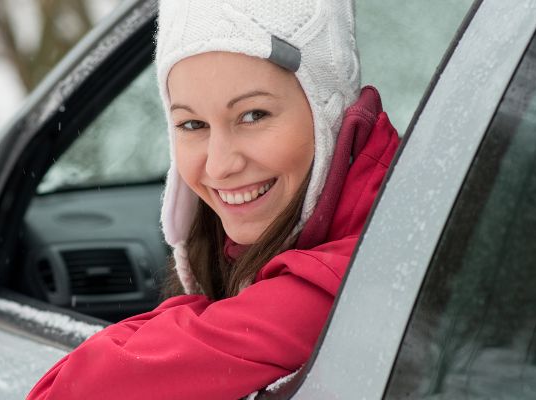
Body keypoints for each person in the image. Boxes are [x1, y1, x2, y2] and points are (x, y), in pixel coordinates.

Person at [28, 0, 399, 398]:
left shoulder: (360, 275)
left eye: (253, 115)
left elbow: (80, 390)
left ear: (328, 111)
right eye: (192, 124)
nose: (219, 165)